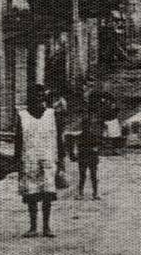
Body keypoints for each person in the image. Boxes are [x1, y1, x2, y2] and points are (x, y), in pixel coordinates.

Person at [14, 87, 65, 237]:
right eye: (35, 97)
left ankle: (46, 227)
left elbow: (58, 138)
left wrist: (61, 159)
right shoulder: (22, 116)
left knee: (47, 194)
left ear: (44, 98)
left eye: (41, 97)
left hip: (48, 158)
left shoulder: (52, 115)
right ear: (30, 99)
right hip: (29, 159)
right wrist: (17, 160)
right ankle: (33, 227)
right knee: (31, 194)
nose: (38, 99)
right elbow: (18, 140)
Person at [70, 92, 105, 200]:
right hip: (85, 155)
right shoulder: (82, 135)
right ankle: (82, 193)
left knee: (92, 175)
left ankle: (94, 193)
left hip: (90, 155)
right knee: (83, 176)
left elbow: (100, 144)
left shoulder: (93, 134)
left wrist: (96, 149)